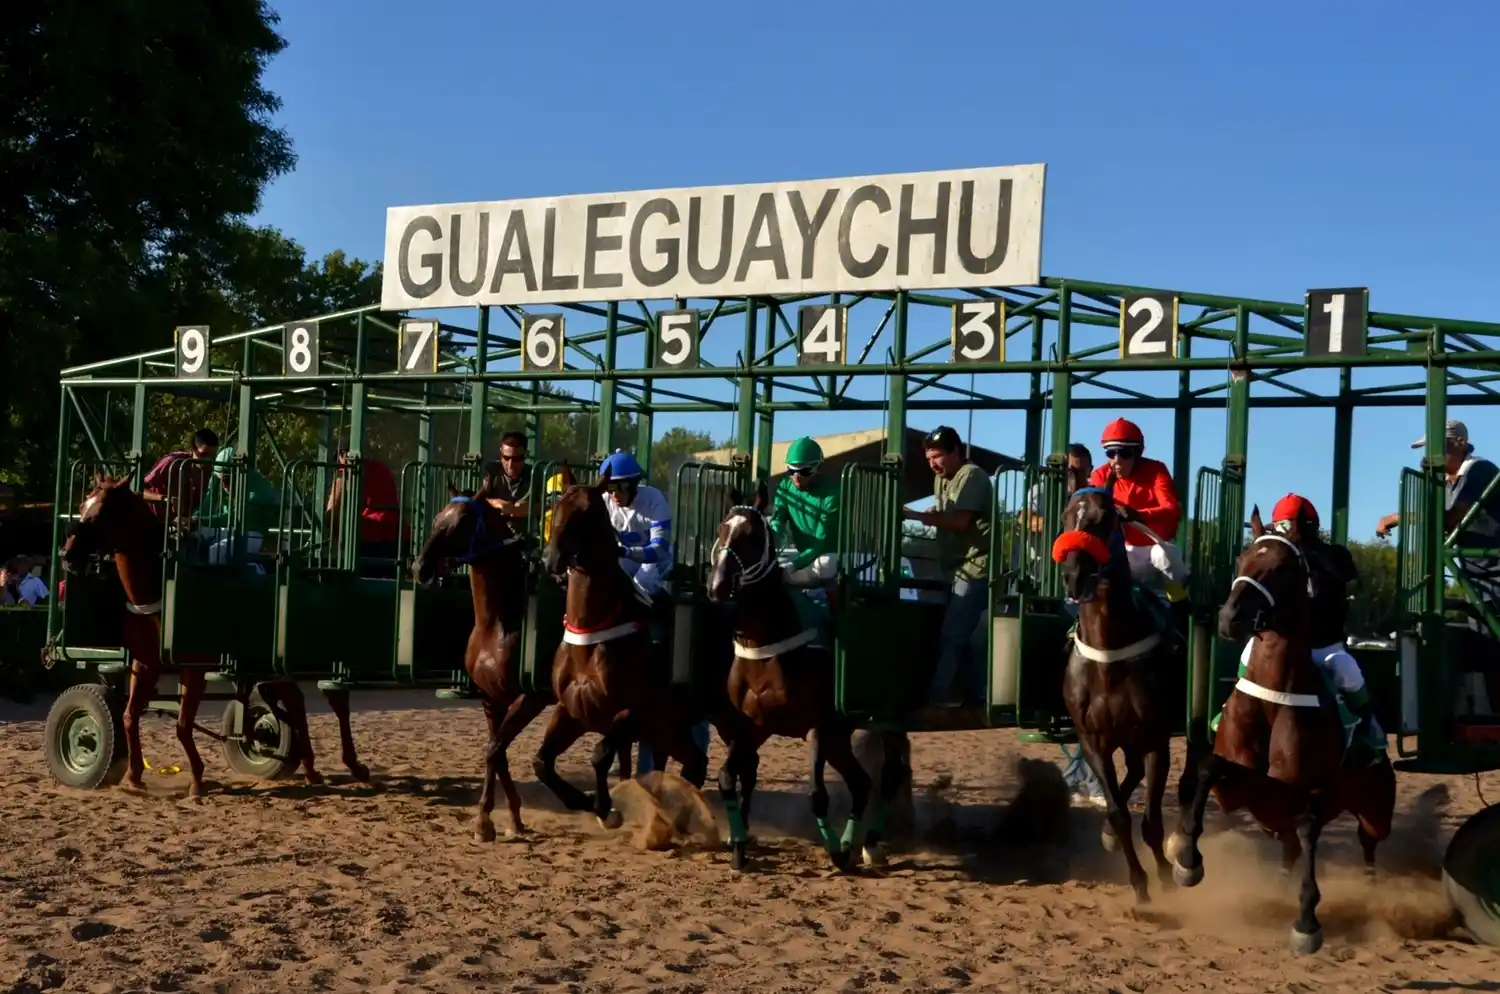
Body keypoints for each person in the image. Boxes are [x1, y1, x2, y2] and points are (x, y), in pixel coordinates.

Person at [596, 448, 710, 777]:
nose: (614, 495)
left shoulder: (654, 500)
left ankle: (658, 645)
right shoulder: (605, 503)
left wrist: (621, 549)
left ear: (633, 485)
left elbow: (658, 548)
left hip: (654, 562)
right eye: (610, 489)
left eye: (619, 488)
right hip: (624, 557)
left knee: (642, 586)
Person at [1264, 494, 1383, 746]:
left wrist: (1302, 553)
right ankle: (1228, 709)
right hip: (1283, 646)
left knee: (1346, 669)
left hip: (1324, 647)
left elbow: (1335, 581)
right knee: (1248, 653)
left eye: (1285, 527)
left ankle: (1367, 724)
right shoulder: (1274, 558)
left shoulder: (1334, 555)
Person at [904, 426, 992, 710]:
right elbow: (946, 514)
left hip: (976, 564)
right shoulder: (941, 479)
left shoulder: (973, 476)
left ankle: (935, 697)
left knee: (953, 633)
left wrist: (917, 516)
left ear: (956, 452)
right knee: (959, 634)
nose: (933, 463)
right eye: (929, 457)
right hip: (952, 566)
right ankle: (973, 694)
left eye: (938, 456)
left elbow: (960, 521)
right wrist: (932, 515)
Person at [1087, 418, 1190, 625]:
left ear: (1138, 452)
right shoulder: (1099, 475)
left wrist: (1139, 515)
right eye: (1110, 453)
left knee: (1165, 554)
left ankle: (1179, 606)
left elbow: (1172, 509)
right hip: (1122, 552)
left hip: (1153, 552)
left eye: (1124, 453)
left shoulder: (1156, 470)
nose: (1117, 460)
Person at [769, 437, 840, 590]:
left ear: (818, 468)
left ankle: (825, 602)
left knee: (824, 564)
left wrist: (794, 565)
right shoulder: (785, 486)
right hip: (803, 555)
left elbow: (822, 542)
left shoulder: (833, 494)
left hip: (831, 553)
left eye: (804, 471)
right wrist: (775, 531)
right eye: (791, 470)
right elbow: (778, 517)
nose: (796, 477)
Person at [195, 446, 280, 569]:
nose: (224, 486)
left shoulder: (259, 491)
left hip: (254, 533)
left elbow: (236, 516)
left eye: (228, 480)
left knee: (216, 552)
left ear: (239, 474)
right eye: (220, 480)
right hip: (231, 529)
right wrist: (191, 519)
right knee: (196, 531)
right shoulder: (221, 479)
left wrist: (200, 520)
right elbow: (209, 500)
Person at [327, 449, 403, 570]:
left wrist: (337, 534)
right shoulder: (381, 467)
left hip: (369, 536)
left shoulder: (347, 470)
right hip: (395, 534)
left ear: (343, 455)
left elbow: (332, 510)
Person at [142, 428, 219, 525]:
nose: (207, 460)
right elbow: (139, 489)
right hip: (151, 521)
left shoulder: (208, 472)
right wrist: (165, 499)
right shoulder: (172, 462)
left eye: (212, 456)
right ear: (192, 449)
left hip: (177, 527)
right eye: (203, 454)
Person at [481, 431, 532, 521]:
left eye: (517, 459)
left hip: (526, 532)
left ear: (526, 455)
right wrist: (496, 503)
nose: (510, 464)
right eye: (506, 458)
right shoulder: (491, 471)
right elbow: (477, 500)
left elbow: (550, 505)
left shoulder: (535, 474)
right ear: (500, 453)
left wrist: (529, 508)